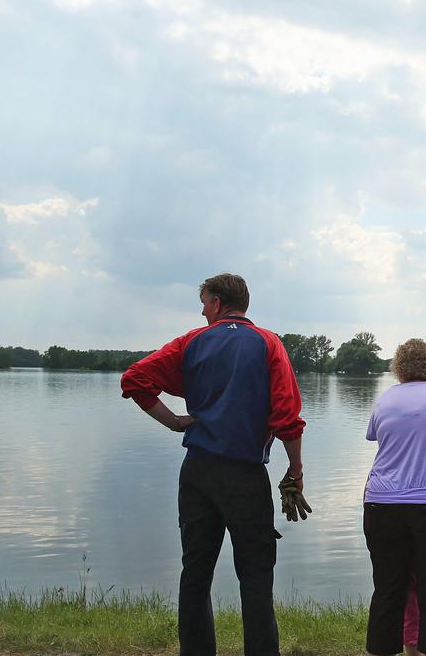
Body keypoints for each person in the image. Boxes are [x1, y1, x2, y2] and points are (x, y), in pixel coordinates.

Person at [120, 273, 308, 656]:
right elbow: (287, 416)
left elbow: (135, 379)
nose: (203, 311)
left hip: (198, 473)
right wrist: (295, 470)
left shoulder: (191, 341)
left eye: (205, 303)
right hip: (246, 477)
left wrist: (174, 422)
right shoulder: (269, 343)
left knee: (196, 571)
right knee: (256, 575)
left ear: (218, 303)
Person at [363, 339, 426, 656]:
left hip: (382, 504)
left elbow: (383, 444)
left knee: (387, 591)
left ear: (399, 367)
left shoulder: (385, 399)